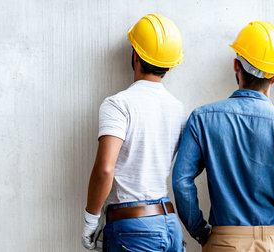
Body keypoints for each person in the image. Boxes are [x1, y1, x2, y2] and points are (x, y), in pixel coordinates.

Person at [172, 21, 274, 251]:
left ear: (236, 66)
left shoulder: (202, 118)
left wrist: (199, 231)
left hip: (223, 241)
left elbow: (181, 181)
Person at [81, 14, 187, 251]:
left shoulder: (118, 104)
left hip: (134, 227)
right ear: (170, 65)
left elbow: (105, 168)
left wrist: (91, 219)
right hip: (169, 223)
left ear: (135, 55)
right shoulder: (178, 108)